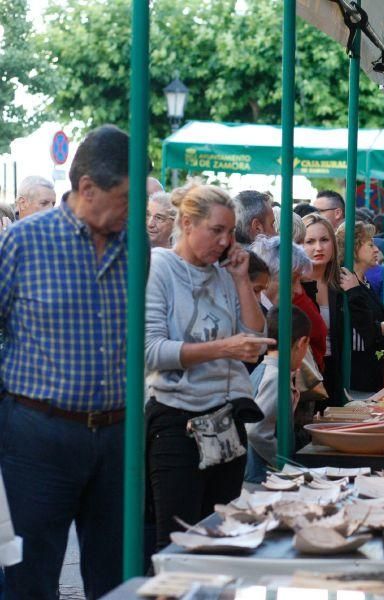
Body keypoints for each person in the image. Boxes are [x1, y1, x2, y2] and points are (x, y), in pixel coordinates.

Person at [0, 124, 130, 598]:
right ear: (87, 188)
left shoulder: (136, 248)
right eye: (124, 198)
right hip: (38, 435)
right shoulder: (25, 242)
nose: (132, 211)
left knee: (115, 576)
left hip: (117, 435)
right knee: (29, 576)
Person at [144, 184, 273, 552]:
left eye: (230, 232)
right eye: (216, 230)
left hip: (226, 418)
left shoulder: (224, 274)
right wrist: (222, 347)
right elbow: (151, 350)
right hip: (176, 422)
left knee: (219, 536)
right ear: (186, 223)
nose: (224, 241)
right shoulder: (160, 268)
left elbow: (253, 336)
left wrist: (239, 278)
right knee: (178, 541)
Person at [245, 306, 311, 483]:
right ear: (302, 343)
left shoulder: (268, 371)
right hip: (262, 478)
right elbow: (256, 430)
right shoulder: (275, 378)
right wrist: (286, 465)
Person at [337, 221, 384, 392]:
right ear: (353, 249)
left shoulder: (362, 283)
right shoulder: (347, 284)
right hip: (358, 380)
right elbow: (359, 331)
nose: (377, 250)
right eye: (370, 244)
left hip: (371, 375)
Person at [248, 234, 326, 371]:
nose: (298, 291)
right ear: (270, 276)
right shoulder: (256, 319)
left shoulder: (272, 315)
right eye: (293, 280)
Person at [302, 213, 344, 405]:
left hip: (337, 374)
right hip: (305, 375)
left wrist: (357, 292)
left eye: (324, 240)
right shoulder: (294, 287)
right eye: (310, 241)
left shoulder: (343, 284)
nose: (318, 248)